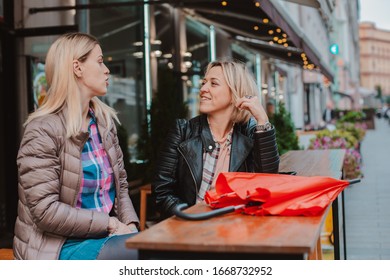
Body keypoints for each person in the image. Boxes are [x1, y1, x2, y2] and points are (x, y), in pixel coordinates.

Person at [14, 32, 139, 260]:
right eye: (100, 61)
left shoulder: (104, 124)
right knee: (139, 255)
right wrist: (110, 224)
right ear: (77, 68)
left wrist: (130, 227)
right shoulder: (42, 130)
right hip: (57, 248)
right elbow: (45, 211)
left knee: (148, 248)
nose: (106, 69)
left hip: (106, 239)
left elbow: (121, 188)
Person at [152, 59, 280, 219]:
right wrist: (188, 216)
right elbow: (161, 191)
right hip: (189, 228)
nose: (203, 89)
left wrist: (262, 121)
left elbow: (269, 180)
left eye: (214, 84)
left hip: (237, 227)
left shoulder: (250, 133)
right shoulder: (183, 131)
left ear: (234, 93)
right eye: (204, 82)